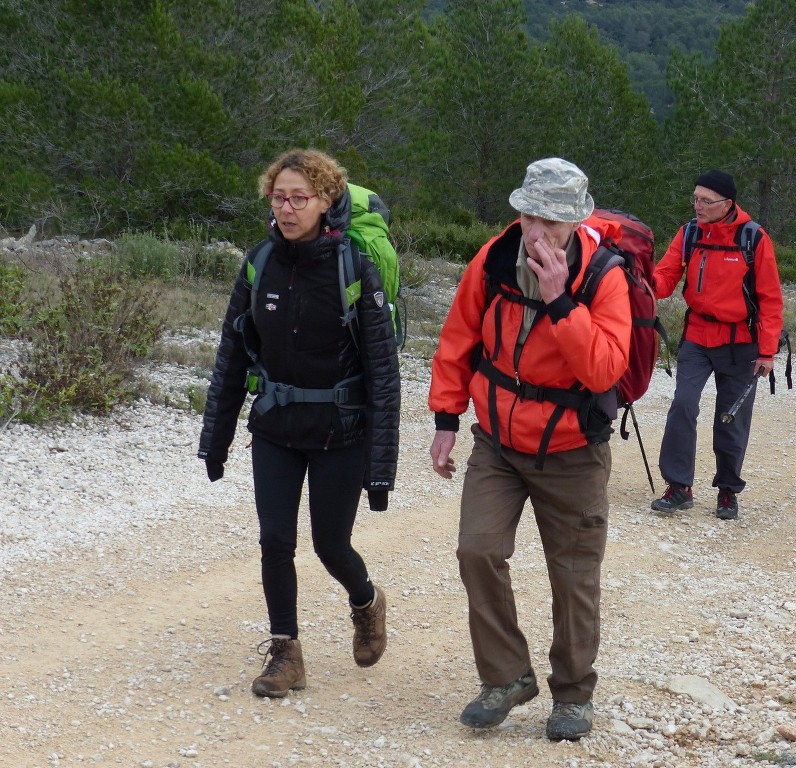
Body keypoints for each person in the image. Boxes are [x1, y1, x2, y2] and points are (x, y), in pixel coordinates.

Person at [427, 158, 630, 741]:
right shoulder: (492, 258)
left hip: (572, 451)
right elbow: (459, 337)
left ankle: (571, 695)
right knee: (477, 550)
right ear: (519, 210)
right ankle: (507, 677)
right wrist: (446, 417)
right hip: (497, 443)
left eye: (555, 222)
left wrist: (561, 301)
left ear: (577, 222)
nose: (539, 232)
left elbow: (602, 370)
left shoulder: (603, 276)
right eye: (531, 216)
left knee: (572, 577)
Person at [197, 148, 400, 698]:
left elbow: (383, 373)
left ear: (326, 200)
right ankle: (286, 653)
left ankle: (365, 600)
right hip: (276, 429)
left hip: (342, 432)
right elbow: (231, 356)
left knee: (331, 545)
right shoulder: (259, 261)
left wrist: (381, 469)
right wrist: (214, 440)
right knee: (274, 541)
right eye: (278, 197)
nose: (287, 208)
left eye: (299, 198)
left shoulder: (355, 267)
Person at [649, 169, 784, 520]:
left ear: (727, 203)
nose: (697, 206)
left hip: (741, 343)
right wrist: (636, 280)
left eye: (705, 201)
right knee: (683, 405)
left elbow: (770, 299)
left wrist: (767, 351)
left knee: (731, 418)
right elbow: (664, 277)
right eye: (695, 198)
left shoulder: (753, 238)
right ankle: (679, 487)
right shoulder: (690, 233)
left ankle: (727, 491)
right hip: (696, 336)